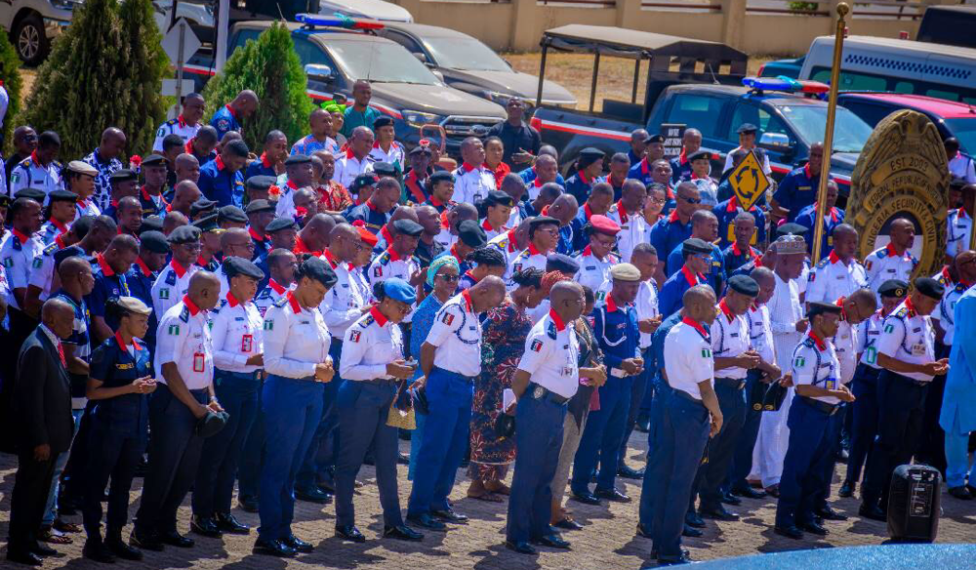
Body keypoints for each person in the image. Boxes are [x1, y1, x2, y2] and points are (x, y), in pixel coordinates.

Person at [131, 271, 222, 551]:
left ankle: (166, 525)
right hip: (173, 401)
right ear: (203, 293)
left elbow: (204, 362)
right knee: (164, 469)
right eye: (217, 293)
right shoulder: (176, 318)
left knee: (185, 471)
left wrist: (211, 397)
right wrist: (195, 406)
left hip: (195, 400)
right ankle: (143, 528)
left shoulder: (202, 315)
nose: (220, 298)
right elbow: (169, 369)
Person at [407, 276, 506, 530]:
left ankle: (439, 501)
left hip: (464, 386)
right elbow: (428, 348)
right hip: (446, 383)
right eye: (490, 303)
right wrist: (429, 380)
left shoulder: (473, 311)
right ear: (482, 290)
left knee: (453, 450)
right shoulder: (454, 309)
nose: (490, 309)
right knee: (435, 448)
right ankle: (418, 508)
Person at [255, 257, 337, 557]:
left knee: (293, 466)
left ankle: (284, 530)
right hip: (286, 393)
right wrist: (313, 369)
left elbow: (320, 346)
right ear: (303, 283)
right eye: (318, 290)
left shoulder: (313, 309)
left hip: (311, 392)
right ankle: (267, 534)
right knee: (278, 465)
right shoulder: (281, 311)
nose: (321, 297)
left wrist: (325, 363)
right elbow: (272, 363)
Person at [333, 278, 422, 542]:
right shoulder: (361, 328)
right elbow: (347, 370)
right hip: (361, 396)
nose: (405, 313)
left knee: (388, 461)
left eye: (407, 309)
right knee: (350, 461)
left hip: (387, 394)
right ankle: (344, 523)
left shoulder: (394, 327)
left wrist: (400, 371)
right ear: (385, 302)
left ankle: (394, 523)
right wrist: (386, 369)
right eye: (401, 307)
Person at [503, 281, 586, 554]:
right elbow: (521, 375)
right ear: (563, 304)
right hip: (539, 407)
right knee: (528, 473)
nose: (584, 303)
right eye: (579, 299)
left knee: (546, 473)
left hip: (556, 408)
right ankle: (518, 534)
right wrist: (516, 405)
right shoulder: (546, 333)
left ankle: (540, 528)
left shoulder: (567, 328)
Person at [859, 277, 948, 521]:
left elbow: (917, 355)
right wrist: (923, 370)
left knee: (907, 447)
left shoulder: (923, 317)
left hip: (917, 389)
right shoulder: (899, 320)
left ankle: (891, 499)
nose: (933, 308)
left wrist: (931, 366)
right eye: (931, 302)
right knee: (887, 444)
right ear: (918, 296)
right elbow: (883, 360)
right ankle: (870, 500)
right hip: (897, 387)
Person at [646, 286, 722, 566]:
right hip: (690, 412)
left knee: (666, 478)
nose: (717, 309)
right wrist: (718, 415)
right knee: (681, 482)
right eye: (713, 305)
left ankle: (659, 544)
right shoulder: (697, 340)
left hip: (671, 405)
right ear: (698, 309)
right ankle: (670, 549)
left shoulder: (674, 331)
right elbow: (705, 389)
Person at [191, 258, 265, 538]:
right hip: (229, 384)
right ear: (234, 282)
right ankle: (202, 513)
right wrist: (246, 359)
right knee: (216, 452)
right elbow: (213, 353)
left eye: (257, 282)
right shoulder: (221, 311)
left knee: (234, 452)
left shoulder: (252, 308)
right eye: (250, 282)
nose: (254, 287)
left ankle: (222, 512)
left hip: (251, 386)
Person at [81, 297, 155, 563]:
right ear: (124, 320)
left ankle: (115, 536)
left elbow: (140, 383)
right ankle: (93, 539)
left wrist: (147, 387)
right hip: (108, 427)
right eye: (141, 320)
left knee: (123, 486)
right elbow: (92, 392)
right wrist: (130, 388)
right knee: (97, 484)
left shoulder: (143, 349)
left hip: (134, 428)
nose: (146, 325)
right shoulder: (107, 350)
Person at [774, 302, 853, 539]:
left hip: (825, 415)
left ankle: (805, 516)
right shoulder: (807, 349)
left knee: (816, 470)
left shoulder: (826, 346)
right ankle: (785, 519)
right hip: (809, 413)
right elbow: (804, 388)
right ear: (819, 320)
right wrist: (837, 394)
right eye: (834, 319)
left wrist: (839, 389)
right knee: (797, 468)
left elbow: (828, 379)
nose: (838, 324)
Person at [6, 299, 75, 566]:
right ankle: (19, 547)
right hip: (40, 441)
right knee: (28, 494)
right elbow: (30, 400)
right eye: (68, 321)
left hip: (53, 437)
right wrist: (40, 439)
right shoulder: (36, 347)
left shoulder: (50, 341)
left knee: (40, 492)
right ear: (50, 320)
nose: (73, 326)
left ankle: (31, 540)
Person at [692, 275, 766, 522]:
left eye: (751, 301)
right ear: (730, 293)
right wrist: (737, 361)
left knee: (725, 451)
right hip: (720, 389)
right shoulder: (715, 320)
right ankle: (689, 506)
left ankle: (712, 500)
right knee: (705, 450)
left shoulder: (742, 319)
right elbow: (704, 361)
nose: (748, 305)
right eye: (745, 300)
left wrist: (749, 357)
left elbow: (737, 352)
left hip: (739, 388)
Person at [468, 268, 545, 501]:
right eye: (540, 296)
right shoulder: (506, 309)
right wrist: (491, 375)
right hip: (492, 385)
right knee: (488, 431)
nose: (541, 302)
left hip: (509, 384)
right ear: (530, 289)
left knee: (504, 430)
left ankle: (494, 480)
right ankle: (477, 485)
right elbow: (485, 342)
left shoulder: (520, 308)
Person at [570, 263, 642, 504]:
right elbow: (594, 350)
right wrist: (622, 363)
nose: (635, 290)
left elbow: (636, 341)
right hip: (606, 383)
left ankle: (606, 484)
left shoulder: (630, 311)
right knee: (593, 435)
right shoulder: (601, 312)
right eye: (630, 286)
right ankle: (580, 485)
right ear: (617, 285)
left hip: (625, 384)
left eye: (637, 286)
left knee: (615, 436)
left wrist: (637, 357)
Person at [839, 279, 907, 498]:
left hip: (890, 380)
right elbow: (858, 352)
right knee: (860, 432)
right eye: (889, 300)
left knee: (880, 435)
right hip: (867, 378)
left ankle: (869, 484)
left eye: (898, 301)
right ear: (882, 299)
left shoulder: (905, 322)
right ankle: (850, 480)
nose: (892, 304)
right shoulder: (870, 321)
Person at [753, 234, 808, 496]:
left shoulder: (793, 286)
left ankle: (767, 472)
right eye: (797, 263)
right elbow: (767, 325)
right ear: (784, 261)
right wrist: (792, 327)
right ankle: (770, 476)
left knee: (782, 419)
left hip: (790, 364)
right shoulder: (772, 286)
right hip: (774, 364)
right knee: (772, 420)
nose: (801, 268)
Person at [805, 224, 867, 305]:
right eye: (848, 242)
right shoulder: (821, 271)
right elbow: (812, 306)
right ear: (835, 243)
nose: (852, 246)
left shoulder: (859, 269)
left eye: (855, 242)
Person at [151, 225, 201, 317]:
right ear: (173, 247)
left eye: (197, 246)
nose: (194, 251)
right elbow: (167, 321)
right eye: (189, 247)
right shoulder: (165, 284)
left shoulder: (197, 272)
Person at [649, 181, 699, 271]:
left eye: (698, 201)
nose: (695, 205)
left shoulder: (697, 226)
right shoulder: (662, 229)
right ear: (677, 199)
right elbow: (657, 270)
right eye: (691, 201)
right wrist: (672, 285)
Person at [658, 238, 712, 317]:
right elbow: (662, 317)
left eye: (709, 260)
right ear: (691, 258)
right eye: (705, 259)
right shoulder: (673, 285)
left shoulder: (703, 281)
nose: (707, 263)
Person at [771, 142, 824, 223]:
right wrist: (789, 218)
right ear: (809, 155)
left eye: (820, 156)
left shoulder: (827, 180)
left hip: (816, 228)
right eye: (813, 155)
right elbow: (773, 204)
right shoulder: (794, 177)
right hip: (796, 228)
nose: (816, 159)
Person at [864, 218, 919, 296]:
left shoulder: (911, 261)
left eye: (913, 232)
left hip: (898, 307)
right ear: (893, 234)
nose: (912, 236)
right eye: (907, 232)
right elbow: (864, 286)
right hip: (878, 307)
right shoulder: (876, 258)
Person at [794, 180, 844, 257]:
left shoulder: (841, 217)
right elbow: (799, 248)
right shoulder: (807, 218)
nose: (830, 198)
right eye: (827, 195)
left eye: (833, 195)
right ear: (818, 195)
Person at [487, 97, 540, 168]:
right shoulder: (496, 130)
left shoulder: (533, 133)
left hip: (523, 177)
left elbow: (541, 160)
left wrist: (530, 158)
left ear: (523, 109)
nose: (514, 107)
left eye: (518, 105)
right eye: (510, 105)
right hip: (499, 176)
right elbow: (486, 155)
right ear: (506, 109)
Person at [573, 214, 620, 292]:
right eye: (605, 243)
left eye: (612, 243)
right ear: (592, 239)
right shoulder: (578, 261)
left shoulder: (617, 261)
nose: (609, 247)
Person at [83, 128, 127, 211]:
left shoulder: (117, 165)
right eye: (117, 147)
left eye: (121, 148)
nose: (119, 151)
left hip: (113, 218)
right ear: (104, 141)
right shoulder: (88, 165)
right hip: (93, 217)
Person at [10, 130, 64, 197]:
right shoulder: (22, 170)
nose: (51, 158)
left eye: (54, 154)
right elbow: (15, 198)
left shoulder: (57, 169)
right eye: (48, 154)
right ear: (38, 147)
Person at [198, 139, 248, 208]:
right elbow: (199, 204)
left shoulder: (238, 175)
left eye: (242, 164)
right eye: (237, 162)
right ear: (226, 156)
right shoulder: (206, 173)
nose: (240, 166)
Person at [454, 137, 496, 205]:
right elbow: (456, 205)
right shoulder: (458, 176)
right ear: (465, 154)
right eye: (477, 148)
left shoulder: (489, 175)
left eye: (482, 148)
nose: (482, 151)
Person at [946, 181, 974, 262]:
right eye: (969, 198)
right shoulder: (950, 219)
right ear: (964, 199)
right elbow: (940, 249)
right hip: (953, 270)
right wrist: (959, 266)